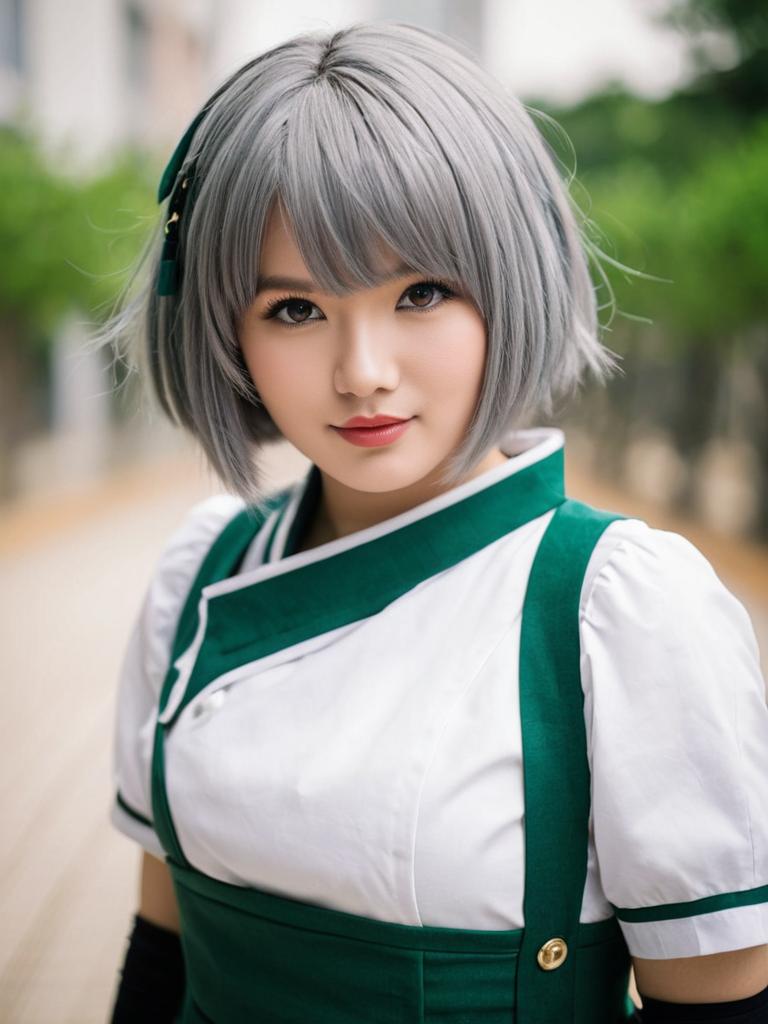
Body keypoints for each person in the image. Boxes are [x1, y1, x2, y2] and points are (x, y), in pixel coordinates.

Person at [101, 20, 768, 1024]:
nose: (363, 369)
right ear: (222, 327)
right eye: (294, 309)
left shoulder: (615, 609)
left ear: (512, 278)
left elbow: (716, 1001)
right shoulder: (202, 568)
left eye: (422, 292)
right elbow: (165, 939)